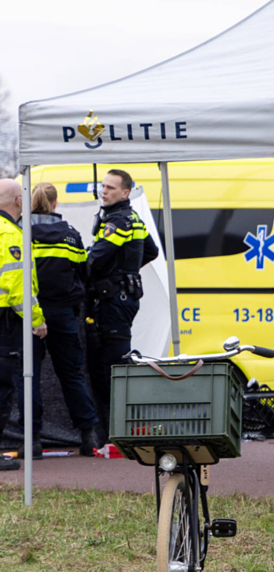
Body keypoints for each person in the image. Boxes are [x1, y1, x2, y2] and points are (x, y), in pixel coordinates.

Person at [86, 169, 159, 443]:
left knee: (111, 366)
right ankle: (117, 431)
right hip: (122, 298)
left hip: (114, 301)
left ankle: (118, 434)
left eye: (110, 188)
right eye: (103, 186)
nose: (104, 191)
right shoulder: (132, 218)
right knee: (113, 363)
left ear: (125, 193)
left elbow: (94, 260)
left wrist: (117, 274)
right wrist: (127, 270)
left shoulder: (118, 221)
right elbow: (151, 251)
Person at [30, 183, 102, 456]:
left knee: (29, 376)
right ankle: (88, 436)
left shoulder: (20, 233)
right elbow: (83, 272)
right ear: (55, 203)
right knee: (72, 375)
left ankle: (32, 441)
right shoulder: (71, 236)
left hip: (29, 314)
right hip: (63, 313)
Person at [0, 178, 48, 470]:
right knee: (3, 387)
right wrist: (37, 320)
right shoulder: (11, 233)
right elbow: (18, 288)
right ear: (19, 201)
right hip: (5, 320)